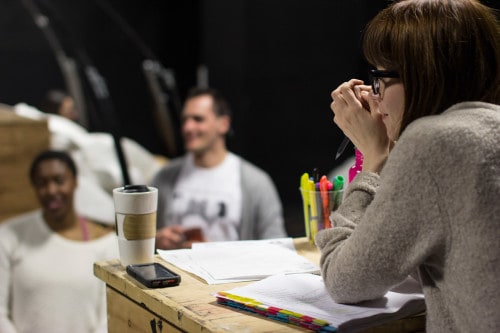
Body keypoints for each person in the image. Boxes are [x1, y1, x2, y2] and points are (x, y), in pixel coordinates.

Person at [315, 0, 500, 332]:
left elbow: (344, 280)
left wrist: (373, 156)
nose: (376, 95)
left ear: (424, 74)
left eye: (381, 77)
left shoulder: (432, 142)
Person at [153, 87, 286, 249]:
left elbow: (277, 245)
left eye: (198, 119)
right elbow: (141, 238)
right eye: (184, 120)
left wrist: (219, 253)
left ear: (223, 124)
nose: (188, 128)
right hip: (175, 273)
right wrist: (156, 239)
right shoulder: (165, 176)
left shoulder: (255, 182)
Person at [0, 150, 118, 333]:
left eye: (59, 180)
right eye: (41, 183)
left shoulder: (108, 245)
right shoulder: (9, 236)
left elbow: (108, 319)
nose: (51, 190)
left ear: (75, 182)